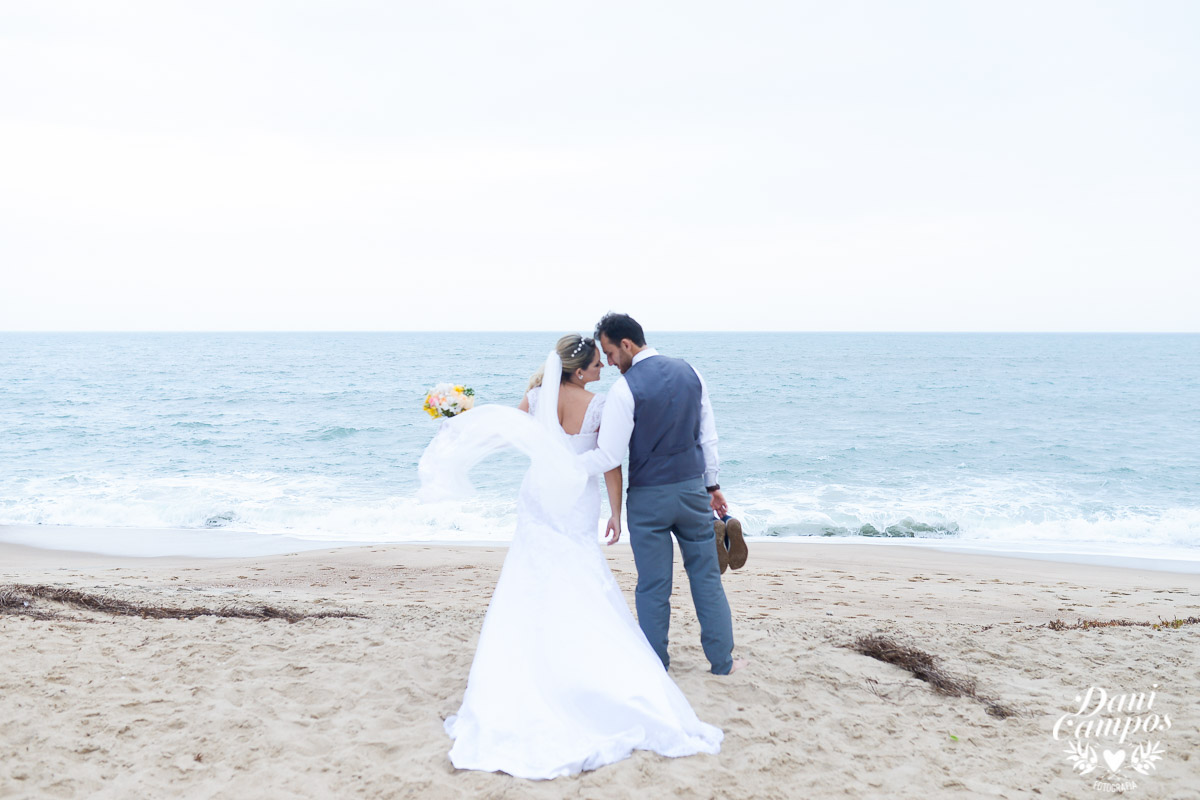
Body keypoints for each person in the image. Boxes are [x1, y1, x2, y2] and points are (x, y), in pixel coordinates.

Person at [418, 334, 722, 781]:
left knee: (531, 573)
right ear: (580, 371)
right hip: (576, 497)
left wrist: (456, 421)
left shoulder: (537, 397)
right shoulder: (599, 406)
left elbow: (505, 435)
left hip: (539, 494)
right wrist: (616, 512)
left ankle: (533, 658)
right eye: (597, 364)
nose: (604, 369)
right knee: (579, 573)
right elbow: (612, 463)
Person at [578, 313, 748, 675]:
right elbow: (708, 437)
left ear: (626, 344)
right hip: (691, 492)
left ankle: (656, 667)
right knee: (706, 578)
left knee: (653, 586)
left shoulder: (624, 389)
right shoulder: (691, 372)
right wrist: (712, 486)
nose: (608, 363)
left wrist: (564, 466)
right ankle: (722, 662)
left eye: (609, 353)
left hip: (649, 500)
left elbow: (609, 456)